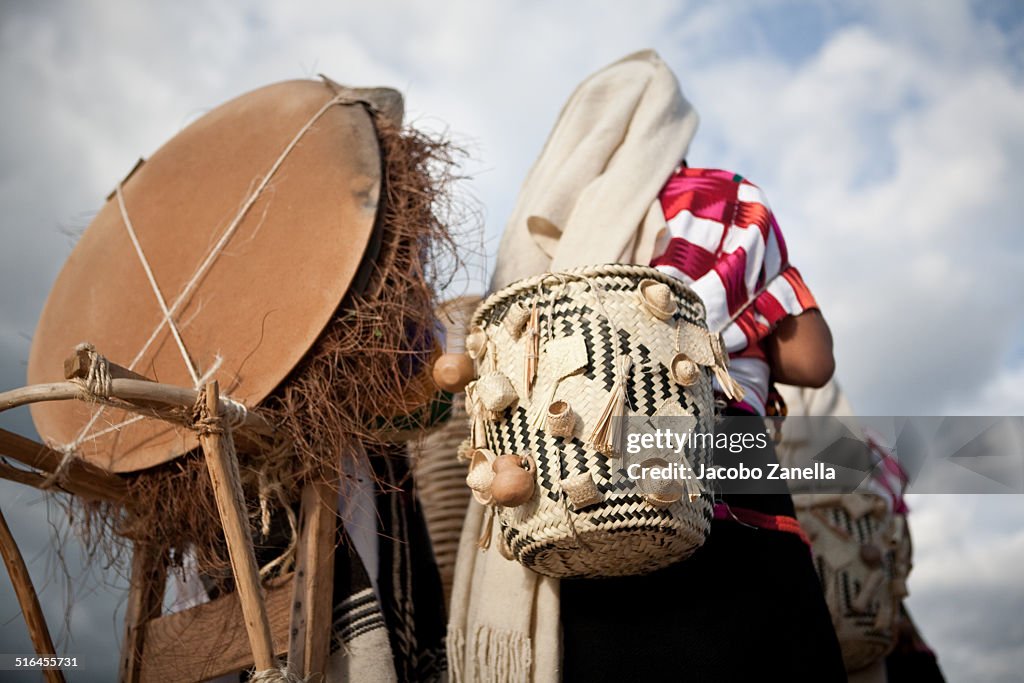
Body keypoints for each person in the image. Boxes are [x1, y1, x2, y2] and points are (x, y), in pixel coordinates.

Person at [559, 164, 847, 681]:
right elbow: (813, 364)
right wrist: (761, 300)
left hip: (593, 464)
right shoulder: (725, 198)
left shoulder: (569, 215)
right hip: (726, 451)